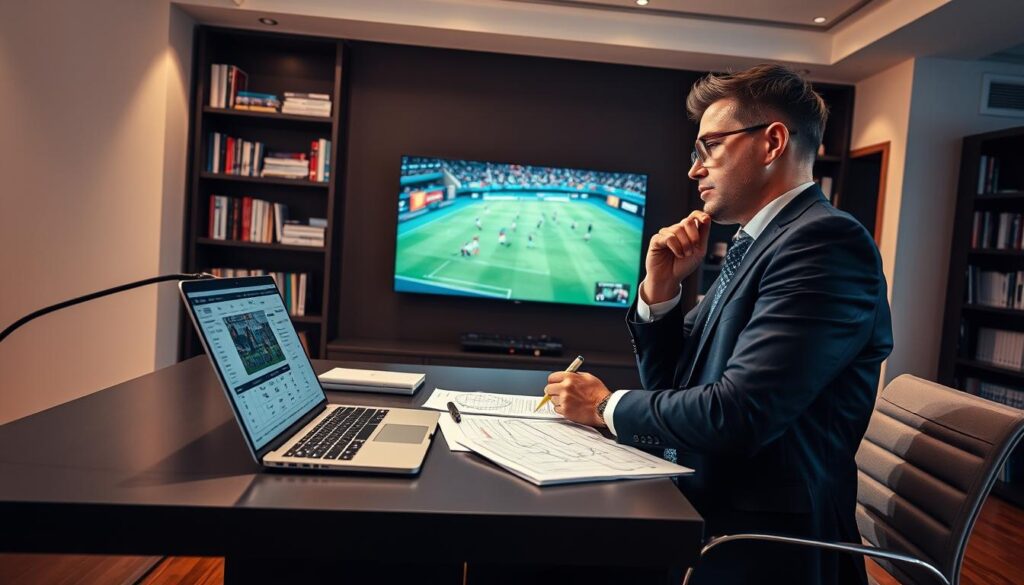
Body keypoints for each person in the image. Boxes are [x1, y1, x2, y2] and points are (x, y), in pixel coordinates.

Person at [541, 64, 893, 585]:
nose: (694, 169)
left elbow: (740, 413)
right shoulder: (757, 242)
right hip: (705, 499)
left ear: (772, 142)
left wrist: (601, 405)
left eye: (709, 147)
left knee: (545, 554)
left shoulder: (824, 244)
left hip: (761, 542)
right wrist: (659, 290)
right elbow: (675, 383)